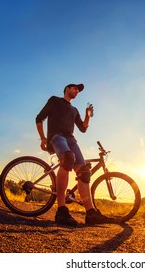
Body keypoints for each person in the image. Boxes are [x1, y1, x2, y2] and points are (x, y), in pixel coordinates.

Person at [35, 83, 115, 226]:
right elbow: (39, 118)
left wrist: (87, 115)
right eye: (75, 88)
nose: (77, 90)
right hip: (56, 137)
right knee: (67, 159)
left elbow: (83, 128)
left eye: (78, 90)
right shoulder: (55, 100)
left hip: (71, 139)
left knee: (84, 171)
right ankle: (61, 210)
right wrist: (42, 138)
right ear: (66, 89)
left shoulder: (74, 110)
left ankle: (91, 213)